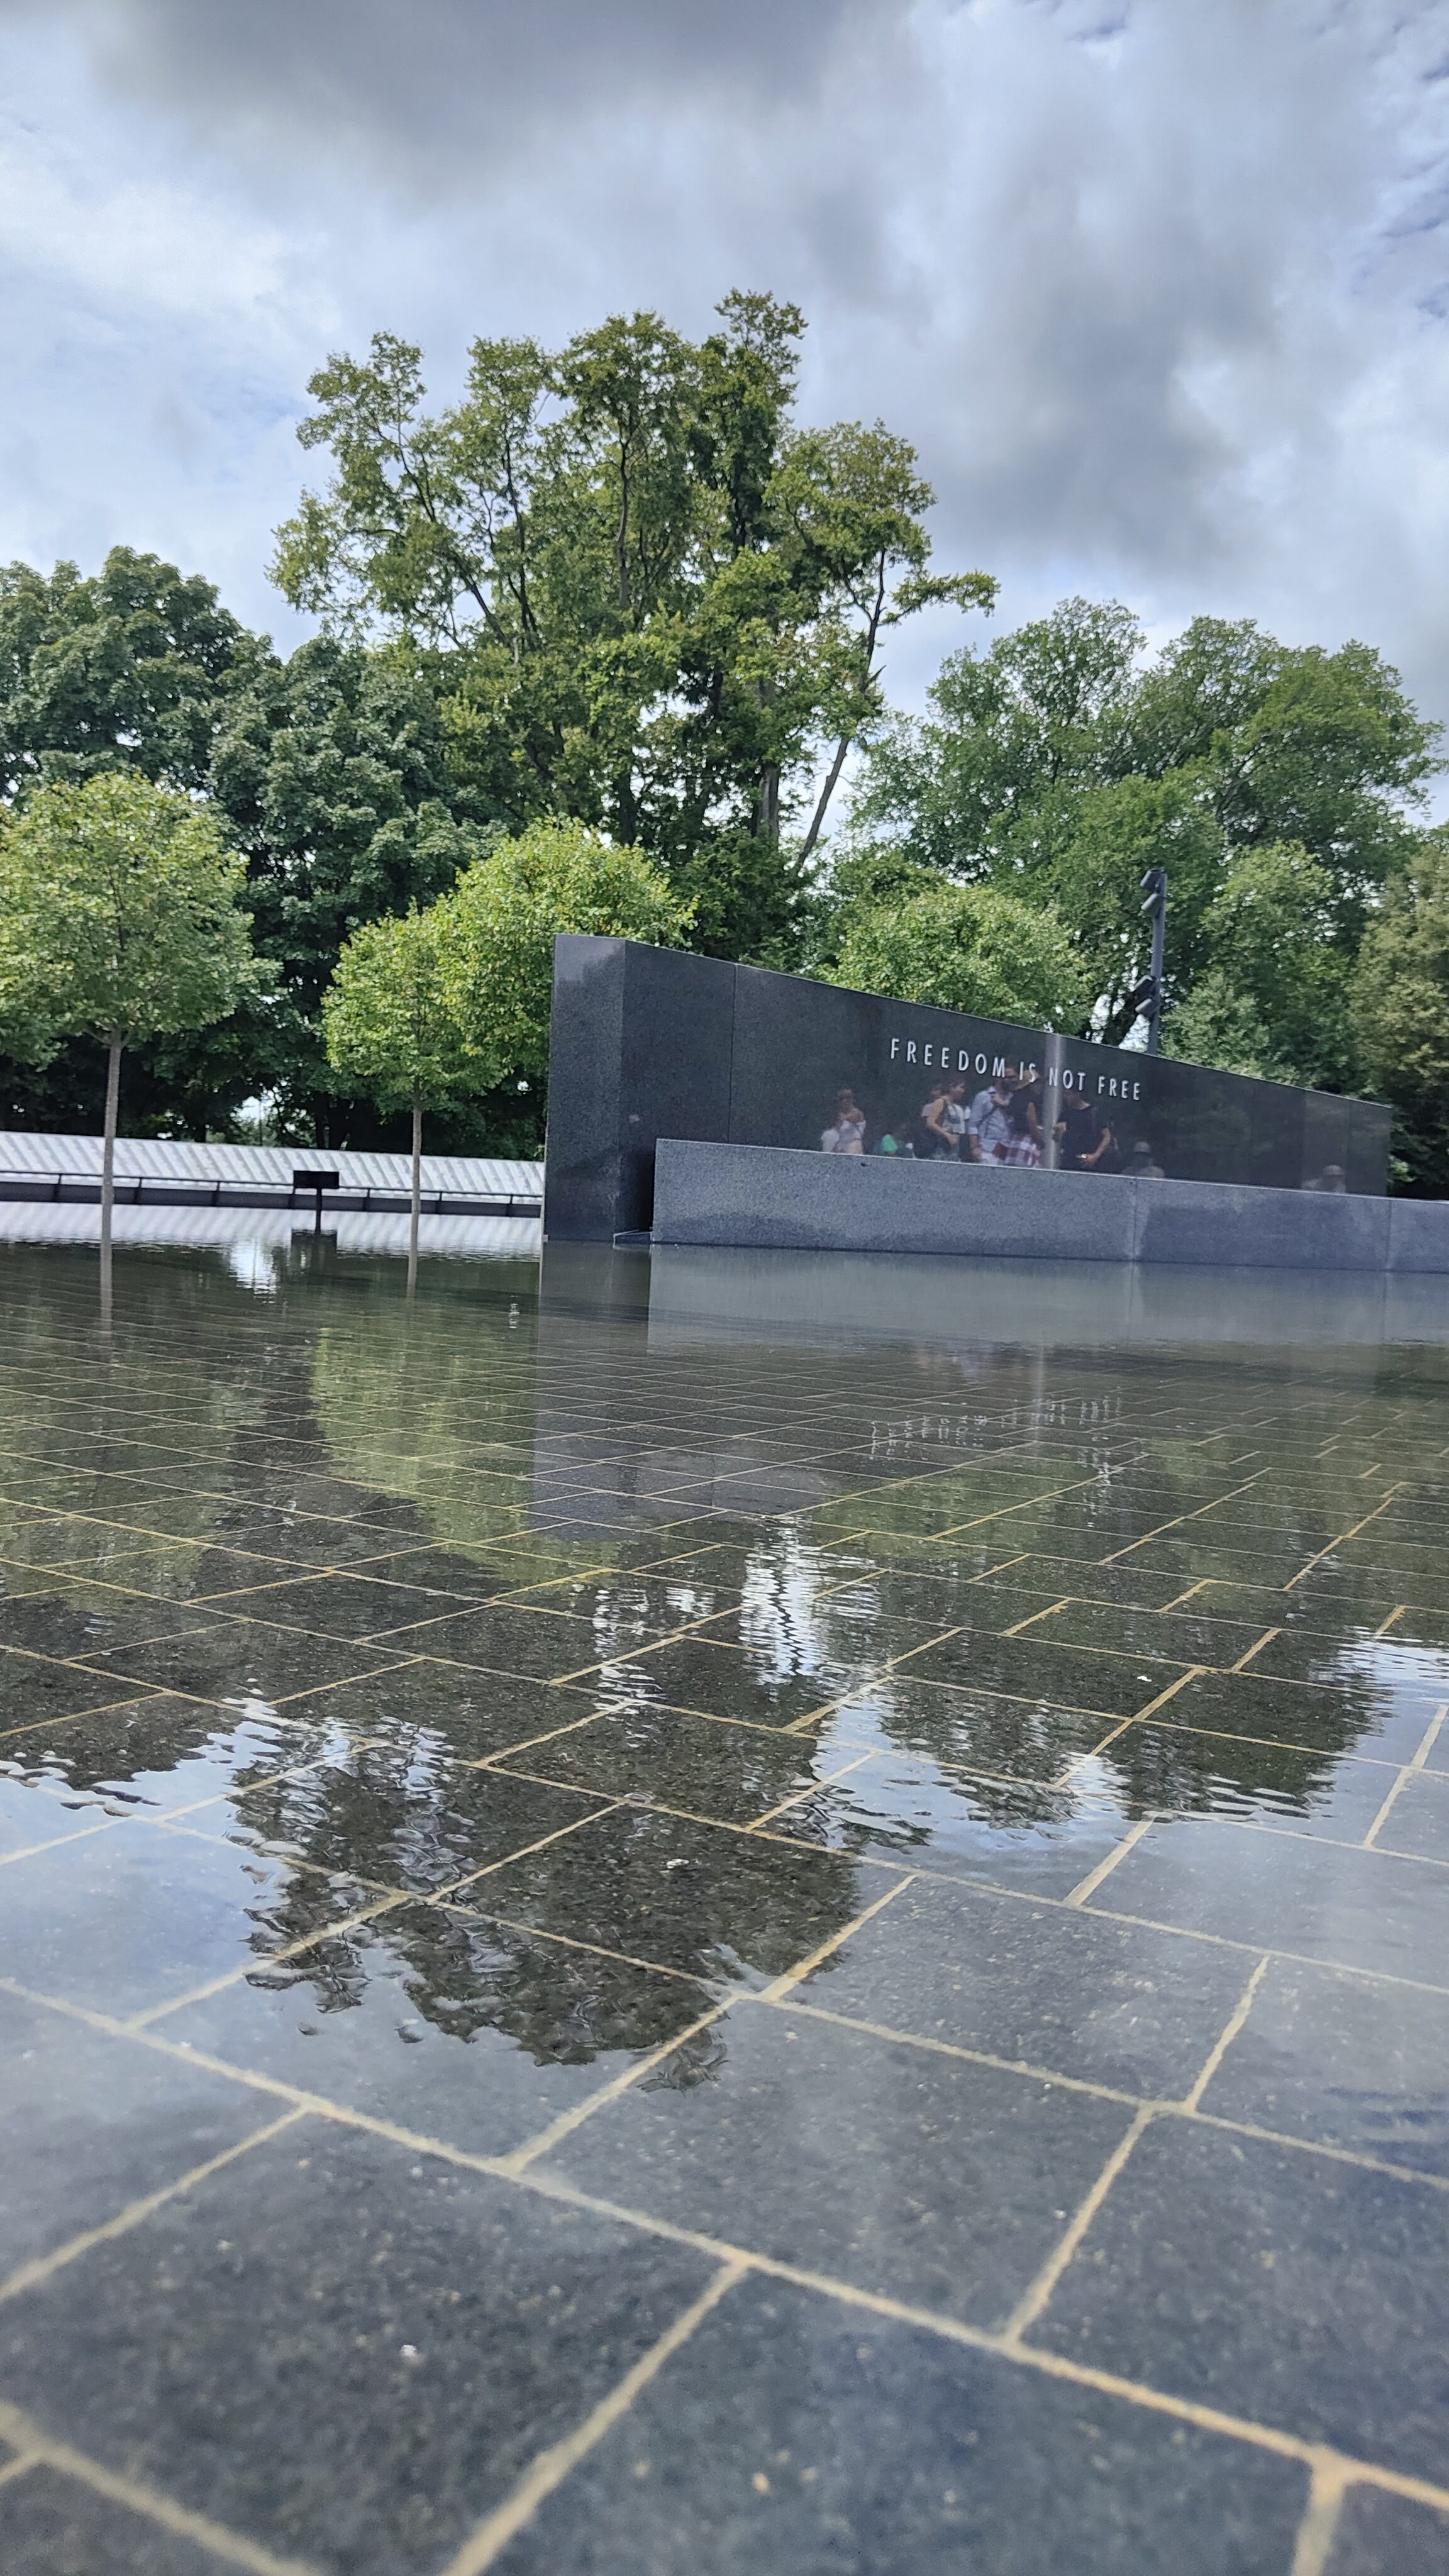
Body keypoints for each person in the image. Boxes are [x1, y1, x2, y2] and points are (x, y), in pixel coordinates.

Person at [1056, 1093, 1117, 1173]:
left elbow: (1107, 1136)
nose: (1066, 1097)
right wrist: (1058, 1133)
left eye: (1069, 1094)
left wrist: (1096, 1156)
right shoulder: (1066, 1113)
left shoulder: (1094, 1112)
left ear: (1078, 1094)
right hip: (1069, 1162)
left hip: (1091, 1161)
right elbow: (1057, 1139)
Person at [967, 1074, 1015, 1163]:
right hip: (987, 1148)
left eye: (1013, 1077)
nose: (1012, 1080)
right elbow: (973, 1125)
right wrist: (975, 1147)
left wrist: (1004, 1105)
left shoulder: (1013, 1099)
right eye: (1009, 1077)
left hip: (1007, 1149)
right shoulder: (983, 1096)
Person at [917, 1080, 958, 1159]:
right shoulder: (930, 1107)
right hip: (936, 1145)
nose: (933, 1093)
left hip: (949, 1146)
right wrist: (947, 1135)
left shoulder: (954, 1107)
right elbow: (929, 1124)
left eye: (937, 1090)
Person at [820, 1089, 867, 1153]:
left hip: (854, 1143)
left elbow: (854, 1117)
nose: (843, 1101)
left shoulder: (858, 1113)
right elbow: (837, 1131)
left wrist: (844, 1118)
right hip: (842, 1144)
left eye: (846, 1098)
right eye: (841, 1099)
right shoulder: (840, 1115)